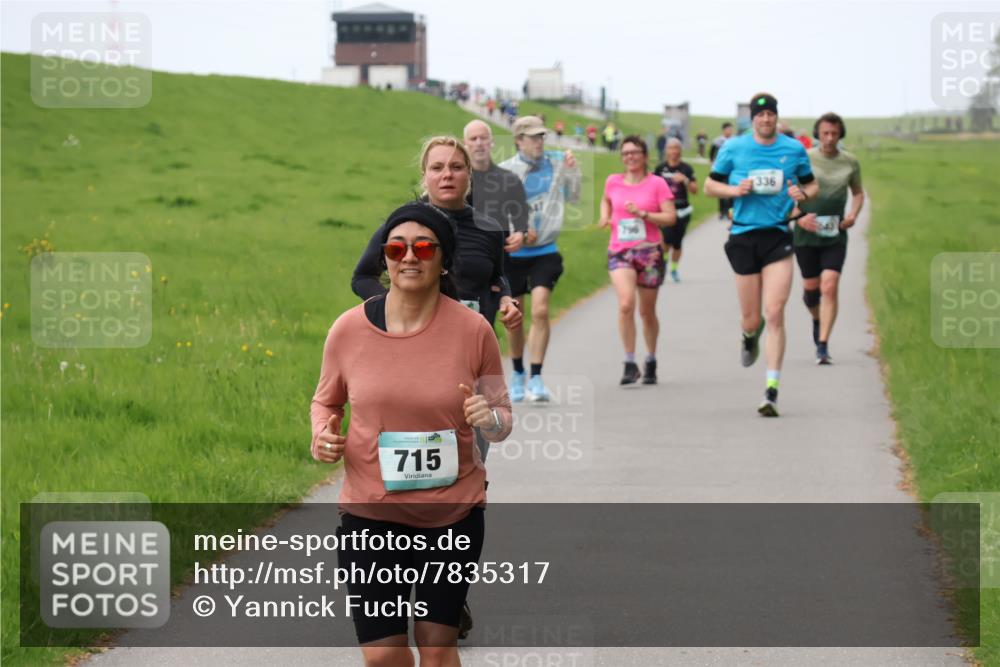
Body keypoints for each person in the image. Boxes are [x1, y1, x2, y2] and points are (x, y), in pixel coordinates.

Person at [312, 201, 513, 667]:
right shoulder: (348, 330)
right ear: (384, 257)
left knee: (437, 646)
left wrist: (489, 419)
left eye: (423, 248)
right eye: (396, 248)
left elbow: (503, 415)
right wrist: (322, 434)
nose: (409, 257)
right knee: (383, 655)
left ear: (443, 259)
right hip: (370, 513)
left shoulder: (474, 330)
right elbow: (325, 401)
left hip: (453, 515)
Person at [351, 136, 523, 452]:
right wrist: (394, 309)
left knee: (472, 450)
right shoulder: (404, 224)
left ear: (469, 174)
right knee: (415, 446)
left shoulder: (489, 227)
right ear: (425, 174)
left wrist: (505, 299)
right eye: (437, 167)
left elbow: (496, 276)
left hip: (470, 354)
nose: (447, 175)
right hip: (414, 350)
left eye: (456, 167)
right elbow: (362, 278)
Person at [704, 93, 818, 417]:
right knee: (753, 318)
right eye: (760, 114)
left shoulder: (793, 149)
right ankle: (749, 335)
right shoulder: (734, 148)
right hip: (743, 235)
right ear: (752, 118)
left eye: (771, 114)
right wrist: (734, 190)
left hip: (777, 235)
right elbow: (709, 186)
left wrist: (801, 194)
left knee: (776, 312)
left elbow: (813, 187)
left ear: (776, 117)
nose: (766, 119)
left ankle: (771, 391)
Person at [498, 116, 582, 403]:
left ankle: (536, 376)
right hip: (513, 254)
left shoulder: (557, 164)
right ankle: (518, 373)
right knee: (515, 317)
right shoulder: (505, 170)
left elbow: (574, 197)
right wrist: (519, 230)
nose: (539, 142)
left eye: (541, 136)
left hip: (545, 251)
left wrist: (572, 171)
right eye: (532, 137)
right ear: (518, 140)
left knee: (541, 310)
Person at [599, 135, 677, 385]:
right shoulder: (613, 181)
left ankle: (651, 358)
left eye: (634, 152)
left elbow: (670, 217)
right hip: (620, 251)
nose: (630, 157)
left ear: (644, 156)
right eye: (625, 153)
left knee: (647, 311)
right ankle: (629, 362)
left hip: (649, 253)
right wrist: (605, 216)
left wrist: (643, 214)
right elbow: (606, 200)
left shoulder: (657, 184)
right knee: (625, 304)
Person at [793, 112, 864, 364]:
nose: (830, 138)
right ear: (817, 134)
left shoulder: (850, 161)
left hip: (835, 233)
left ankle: (822, 345)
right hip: (806, 234)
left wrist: (853, 214)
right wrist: (799, 217)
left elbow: (858, 193)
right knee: (811, 293)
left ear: (840, 134)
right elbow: (789, 191)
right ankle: (816, 317)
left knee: (830, 285)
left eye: (834, 133)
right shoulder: (805, 158)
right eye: (825, 133)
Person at [462, 120, 529, 256]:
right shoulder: (457, 180)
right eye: (473, 139)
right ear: (465, 144)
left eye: (483, 138)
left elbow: (520, 213)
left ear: (492, 141)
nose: (479, 143)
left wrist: (520, 232)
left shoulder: (510, 179)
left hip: (499, 256)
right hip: (463, 254)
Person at [652, 137, 698, 282]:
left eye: (676, 148)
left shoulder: (687, 168)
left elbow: (695, 190)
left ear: (680, 150)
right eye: (670, 148)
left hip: (682, 210)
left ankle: (674, 269)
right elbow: (651, 188)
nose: (673, 151)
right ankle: (664, 262)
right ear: (666, 151)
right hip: (665, 211)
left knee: (677, 242)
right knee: (666, 239)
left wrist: (685, 180)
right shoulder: (660, 168)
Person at [709, 122, 735, 221]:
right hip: (720, 169)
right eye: (728, 129)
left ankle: (730, 213)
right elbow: (712, 152)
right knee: (720, 190)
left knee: (731, 191)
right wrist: (712, 162)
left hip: (731, 169)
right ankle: (721, 212)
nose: (730, 131)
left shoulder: (734, 140)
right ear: (724, 130)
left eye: (731, 129)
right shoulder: (718, 141)